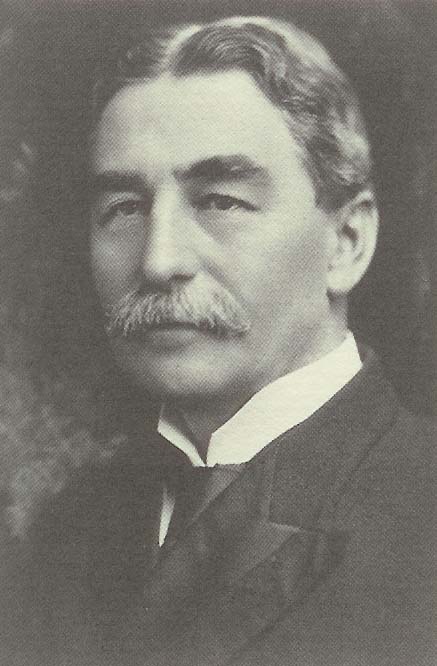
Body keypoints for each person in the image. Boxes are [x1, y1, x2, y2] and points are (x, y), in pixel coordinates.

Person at [2, 14, 435, 666]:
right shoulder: (68, 528)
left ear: (345, 243)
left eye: (220, 200)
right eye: (123, 207)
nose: (158, 259)